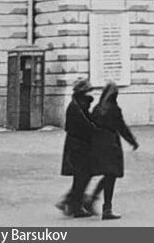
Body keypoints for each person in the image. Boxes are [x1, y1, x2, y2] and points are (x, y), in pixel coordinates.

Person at [83, 82, 138, 220]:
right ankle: (106, 208)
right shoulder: (114, 109)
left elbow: (90, 126)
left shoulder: (97, 108)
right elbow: (122, 127)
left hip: (98, 144)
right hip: (111, 144)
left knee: (107, 175)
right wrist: (132, 141)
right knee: (111, 175)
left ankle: (92, 200)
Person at [58, 78, 98, 218]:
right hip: (78, 146)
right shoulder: (76, 107)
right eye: (88, 91)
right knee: (82, 175)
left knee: (83, 175)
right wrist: (97, 131)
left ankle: (71, 201)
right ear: (82, 92)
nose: (90, 93)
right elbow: (84, 125)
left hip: (80, 145)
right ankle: (74, 205)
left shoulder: (81, 104)